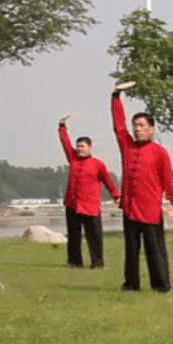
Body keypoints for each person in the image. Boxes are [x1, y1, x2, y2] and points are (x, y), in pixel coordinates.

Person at [110, 81, 173, 292]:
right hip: (130, 208)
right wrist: (116, 96)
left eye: (142, 126)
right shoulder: (127, 145)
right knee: (131, 250)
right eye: (136, 125)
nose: (138, 129)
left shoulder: (159, 151)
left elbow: (168, 177)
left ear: (151, 129)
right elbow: (118, 125)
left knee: (155, 249)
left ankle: (161, 284)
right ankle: (131, 283)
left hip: (150, 209)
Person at [57, 112, 120, 269]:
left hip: (90, 207)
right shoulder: (73, 159)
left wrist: (116, 196)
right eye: (78, 146)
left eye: (82, 146)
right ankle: (74, 262)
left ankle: (97, 263)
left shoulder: (98, 164)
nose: (79, 149)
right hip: (72, 205)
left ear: (90, 147)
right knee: (74, 236)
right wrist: (62, 126)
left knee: (95, 237)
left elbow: (108, 181)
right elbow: (65, 143)